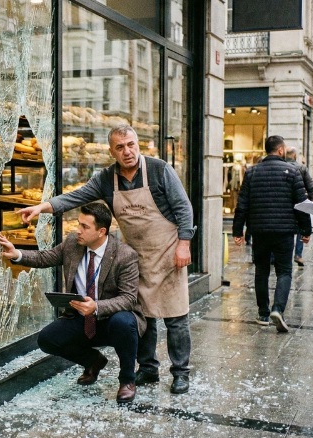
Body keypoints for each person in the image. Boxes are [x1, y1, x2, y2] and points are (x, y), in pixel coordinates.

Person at [18, 125, 196, 395]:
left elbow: (183, 207)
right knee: (144, 315)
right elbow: (75, 197)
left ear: (138, 144)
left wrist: (184, 244)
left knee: (175, 316)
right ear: (111, 151)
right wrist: (42, 207)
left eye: (132, 144)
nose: (128, 151)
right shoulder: (106, 179)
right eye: (121, 147)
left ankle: (180, 373)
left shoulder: (160, 170)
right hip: (135, 254)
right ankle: (148, 368)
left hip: (168, 252)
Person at [0, 203, 145, 403]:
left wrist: (97, 306)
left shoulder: (125, 255)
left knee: (124, 322)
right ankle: (93, 361)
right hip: (81, 317)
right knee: (47, 339)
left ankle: (127, 380)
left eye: (85, 227)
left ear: (101, 231)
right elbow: (45, 257)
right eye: (78, 224)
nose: (78, 230)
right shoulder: (72, 244)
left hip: (111, 319)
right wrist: (18, 254)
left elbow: (128, 298)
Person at [232, 136, 311, 332]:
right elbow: (302, 205)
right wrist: (306, 230)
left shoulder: (251, 173)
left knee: (262, 271)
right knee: (284, 271)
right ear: (281, 150)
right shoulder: (293, 172)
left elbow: (242, 204)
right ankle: (278, 309)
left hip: (259, 231)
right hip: (284, 232)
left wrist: (237, 230)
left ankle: (263, 313)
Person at [285, 146, 313, 266]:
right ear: (295, 156)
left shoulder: (281, 167)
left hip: (285, 204)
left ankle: (276, 256)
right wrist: (312, 199)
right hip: (300, 202)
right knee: (301, 228)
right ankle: (298, 254)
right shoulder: (302, 168)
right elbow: (310, 185)